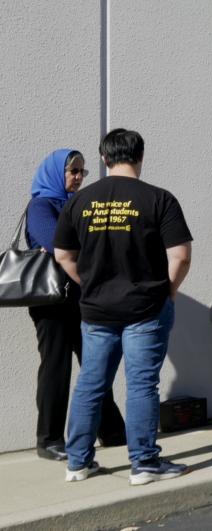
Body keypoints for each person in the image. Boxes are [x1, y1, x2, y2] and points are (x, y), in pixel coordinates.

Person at [54, 129, 193, 485]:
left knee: (90, 383)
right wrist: (170, 292)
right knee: (142, 384)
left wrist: (90, 283)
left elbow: (63, 255)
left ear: (103, 159)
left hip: (97, 310)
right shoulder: (159, 198)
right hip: (146, 307)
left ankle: (78, 463)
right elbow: (180, 256)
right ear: (140, 156)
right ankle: (144, 463)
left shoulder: (79, 201)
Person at [25, 150, 125, 461]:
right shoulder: (41, 205)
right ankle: (50, 439)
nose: (79, 177)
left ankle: (110, 430)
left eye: (83, 172)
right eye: (73, 171)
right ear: (57, 173)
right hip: (52, 301)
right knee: (56, 368)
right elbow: (58, 245)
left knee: (96, 365)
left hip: (83, 298)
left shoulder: (81, 204)